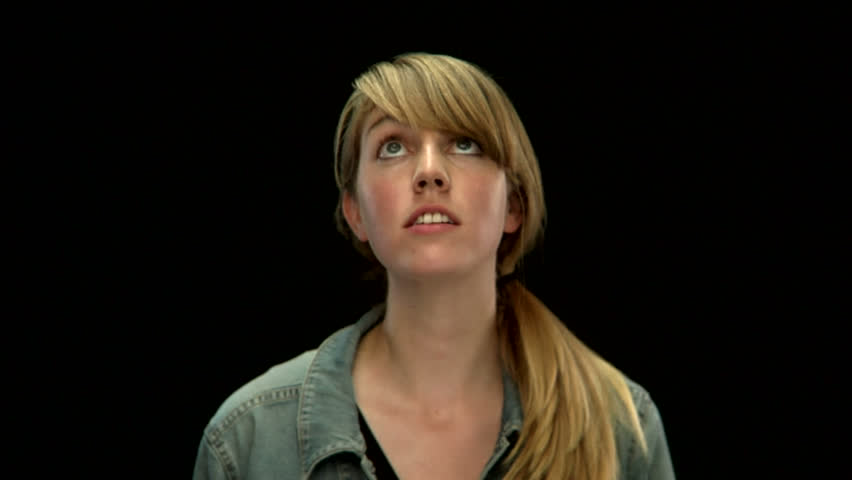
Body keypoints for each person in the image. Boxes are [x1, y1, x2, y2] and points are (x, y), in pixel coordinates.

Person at [193, 52, 675, 480]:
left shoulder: (620, 426)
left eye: (464, 144)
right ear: (355, 212)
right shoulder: (248, 439)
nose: (429, 171)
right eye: (392, 146)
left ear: (513, 204)